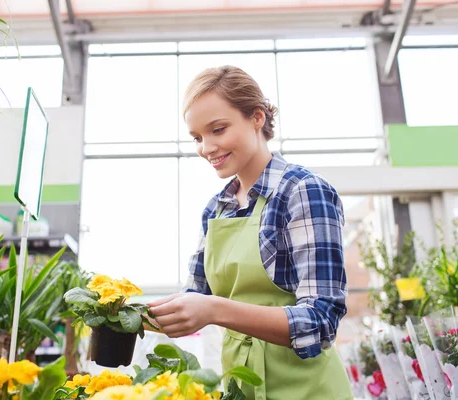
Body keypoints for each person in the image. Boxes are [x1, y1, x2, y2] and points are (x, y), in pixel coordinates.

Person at [148, 65, 353, 400]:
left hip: (308, 390)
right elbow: (194, 295)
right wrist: (119, 311)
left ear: (257, 117)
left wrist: (214, 310)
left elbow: (321, 321)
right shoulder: (217, 208)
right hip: (241, 386)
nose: (207, 148)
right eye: (198, 137)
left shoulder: (303, 191)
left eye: (218, 129)